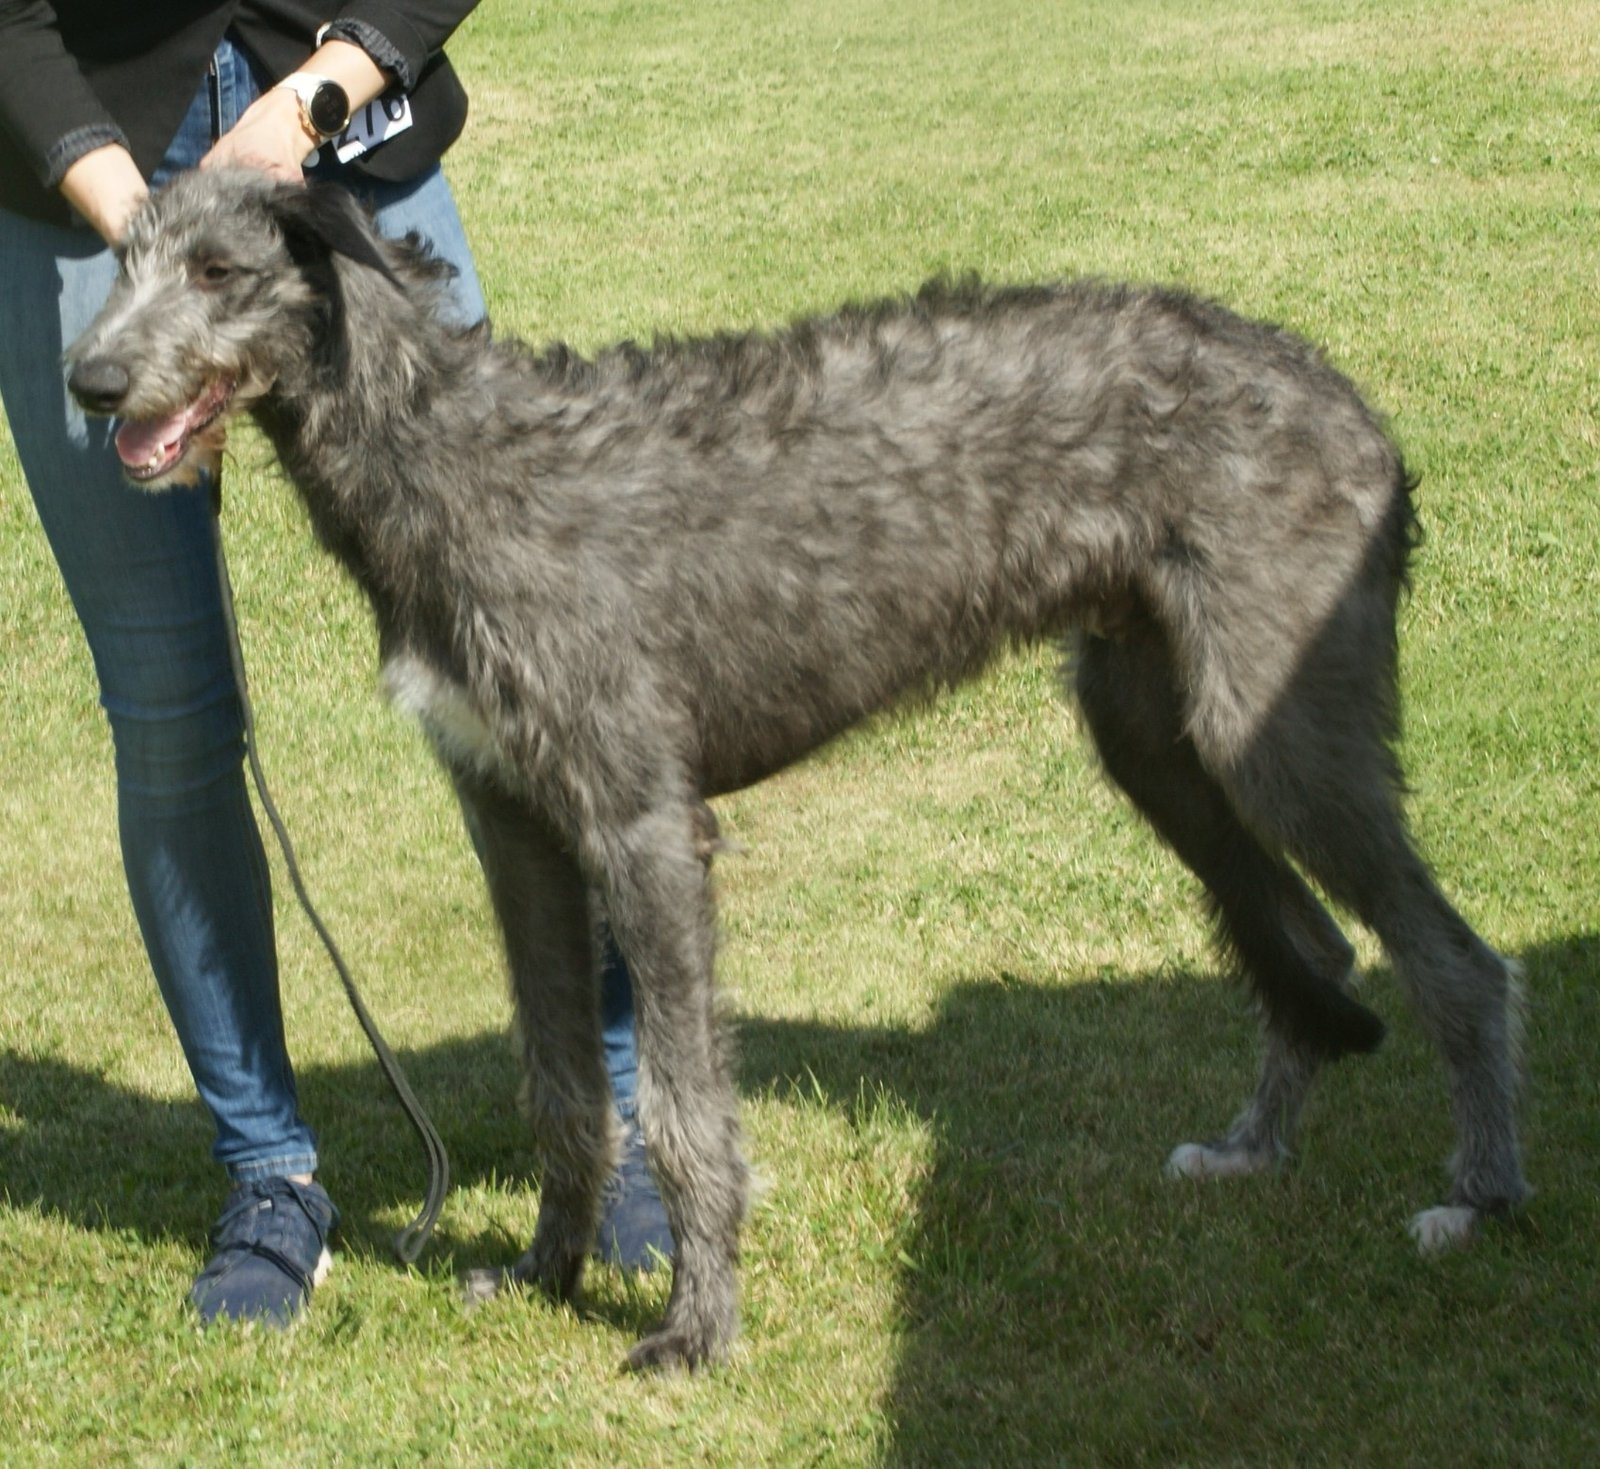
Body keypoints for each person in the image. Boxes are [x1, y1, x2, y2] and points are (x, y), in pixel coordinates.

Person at [0, 2, 670, 1328]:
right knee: (171, 715)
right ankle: (267, 1172)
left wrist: (323, 89)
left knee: (520, 685)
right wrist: (147, 228)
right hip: (81, 173)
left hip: (337, 148)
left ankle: (618, 1121)